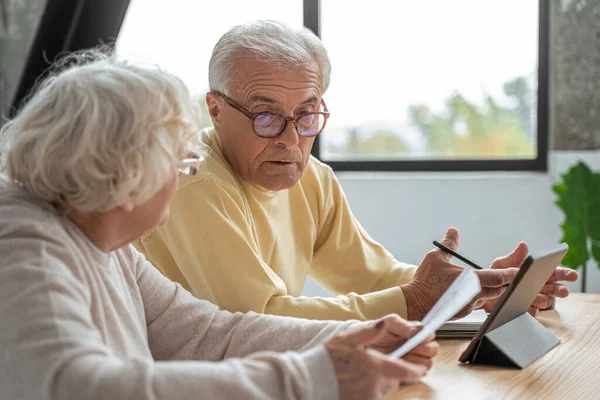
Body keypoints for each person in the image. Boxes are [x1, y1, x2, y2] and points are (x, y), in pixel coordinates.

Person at [0, 50, 439, 400]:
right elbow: (78, 387)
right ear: (125, 175)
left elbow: (207, 333)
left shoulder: (104, 240)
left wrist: (358, 338)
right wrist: (311, 378)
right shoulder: (29, 247)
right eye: (180, 161)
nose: (183, 176)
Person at [134, 20, 578, 322]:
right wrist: (416, 300)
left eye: (307, 116)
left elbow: (378, 277)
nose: (290, 141)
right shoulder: (191, 181)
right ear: (215, 109)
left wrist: (477, 286)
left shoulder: (312, 179)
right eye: (265, 117)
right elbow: (262, 322)